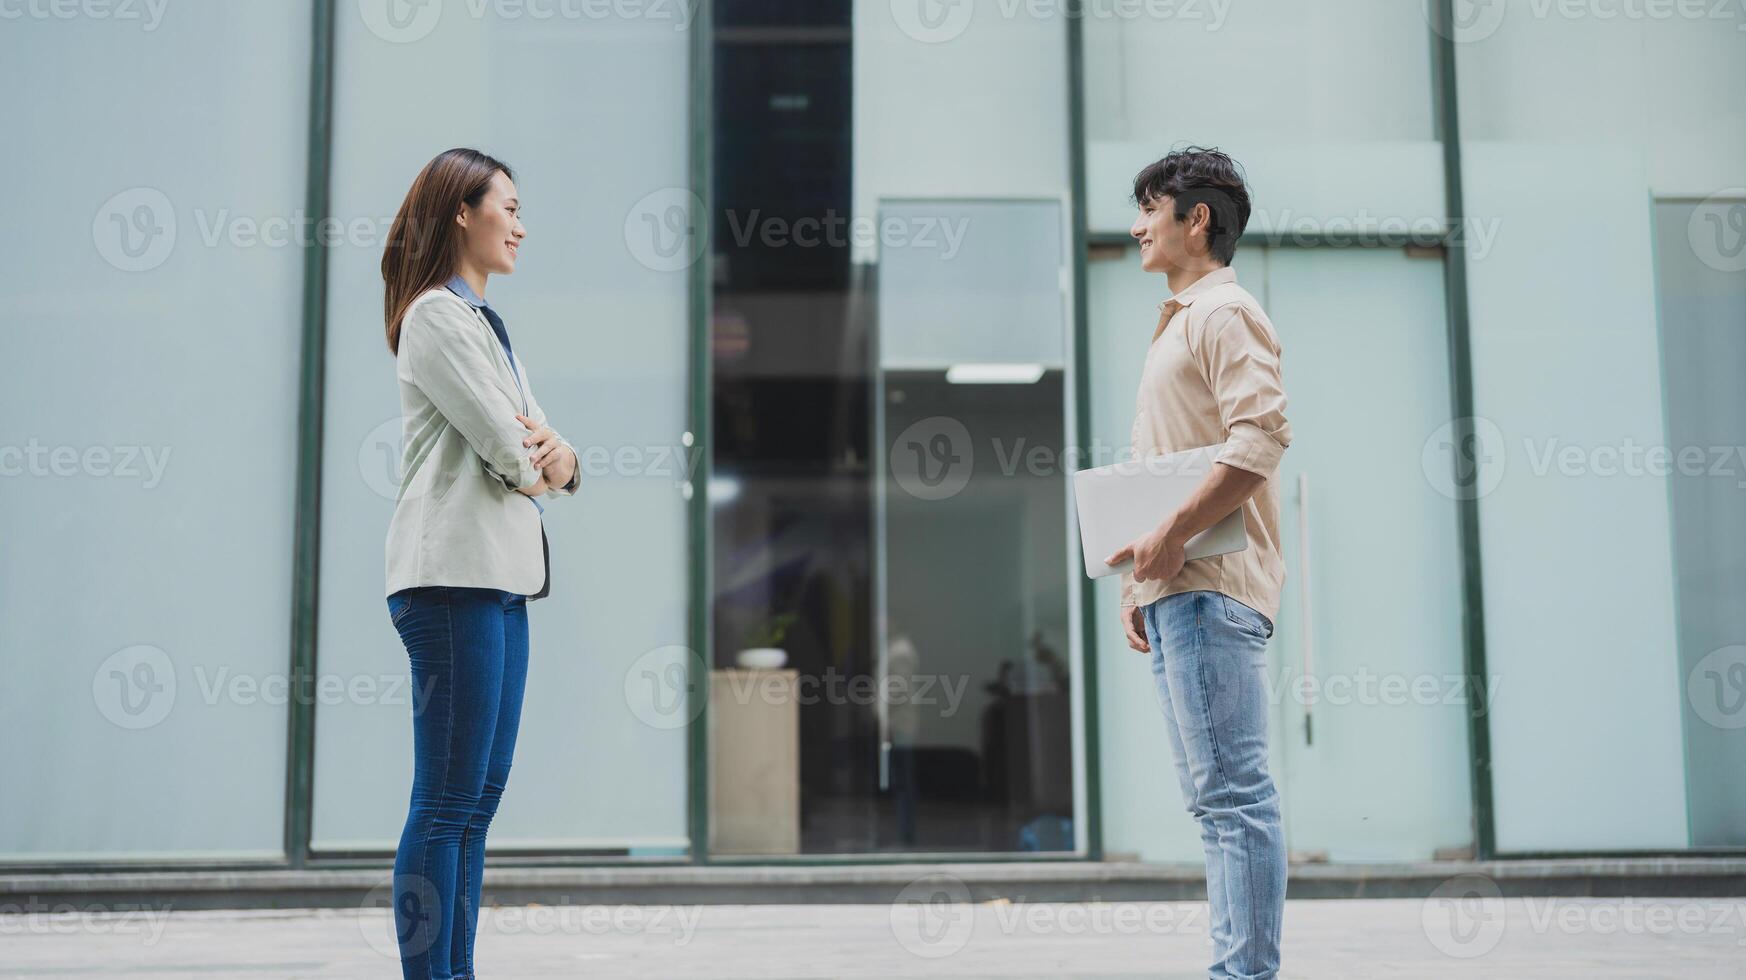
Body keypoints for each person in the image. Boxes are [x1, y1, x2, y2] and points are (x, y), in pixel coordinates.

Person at [379, 147, 581, 980]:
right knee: (447, 802)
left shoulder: (489, 330)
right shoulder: (434, 316)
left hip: (501, 581)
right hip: (452, 578)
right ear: (462, 212)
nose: (522, 226)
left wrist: (557, 459)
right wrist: (548, 460)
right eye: (510, 206)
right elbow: (518, 453)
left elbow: (558, 460)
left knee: (478, 802)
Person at [1104, 146, 1292, 980]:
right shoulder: (1180, 322)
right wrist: (1141, 580)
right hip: (1181, 592)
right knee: (1214, 805)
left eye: (1151, 208)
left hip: (1214, 591)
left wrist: (1172, 537)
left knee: (1236, 800)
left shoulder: (1224, 313)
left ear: (1197, 218)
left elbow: (1260, 443)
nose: (1138, 225)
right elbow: (1172, 470)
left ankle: (1242, 975)